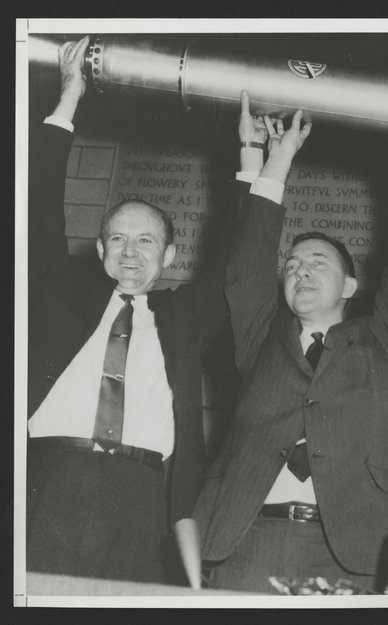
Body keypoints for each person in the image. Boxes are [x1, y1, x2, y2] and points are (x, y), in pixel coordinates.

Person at [192, 93, 388, 592]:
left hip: (350, 548)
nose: (301, 271)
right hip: (245, 538)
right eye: (294, 266)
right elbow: (246, 266)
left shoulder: (379, 343)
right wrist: (277, 158)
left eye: (318, 262)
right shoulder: (262, 336)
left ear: (350, 285)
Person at [27, 37, 229, 583]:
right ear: (100, 251)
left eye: (145, 242)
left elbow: (237, 260)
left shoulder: (184, 318)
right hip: (49, 479)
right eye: (117, 240)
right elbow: (37, 213)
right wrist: (67, 100)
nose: (130, 253)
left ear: (168, 255)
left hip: (143, 498)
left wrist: (254, 161)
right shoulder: (60, 295)